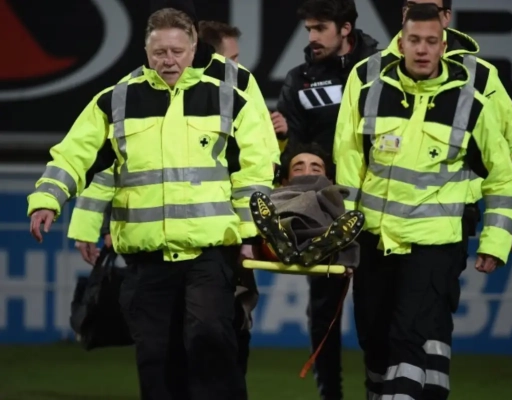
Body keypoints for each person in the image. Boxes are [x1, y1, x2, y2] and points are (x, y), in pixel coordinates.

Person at [28, 7, 275, 400]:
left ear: (194, 50)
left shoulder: (231, 99)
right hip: (146, 260)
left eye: (177, 51)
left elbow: (255, 172)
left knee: (210, 340)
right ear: (146, 52)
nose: (168, 60)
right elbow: (76, 156)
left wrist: (249, 236)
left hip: (209, 254)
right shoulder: (116, 100)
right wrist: (48, 198)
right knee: (156, 359)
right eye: (160, 52)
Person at [343, 3, 512, 396]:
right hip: (376, 236)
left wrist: (509, 229)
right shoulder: (367, 78)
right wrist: (345, 231)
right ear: (402, 36)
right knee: (375, 334)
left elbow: (511, 158)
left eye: (431, 40)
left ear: (445, 30)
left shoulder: (476, 87)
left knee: (414, 332)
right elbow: (349, 158)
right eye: (414, 39)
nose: (422, 48)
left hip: (440, 233)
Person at [274, 1, 378, 398]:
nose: (312, 37)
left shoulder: (381, 70)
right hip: (325, 213)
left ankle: (382, 387)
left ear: (345, 28)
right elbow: (294, 156)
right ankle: (329, 394)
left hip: (378, 209)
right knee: (324, 311)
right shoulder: (300, 80)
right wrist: (286, 138)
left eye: (320, 28)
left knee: (377, 308)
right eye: (309, 29)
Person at [252, 142, 363, 268]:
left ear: (330, 180)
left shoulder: (332, 195)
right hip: (281, 236)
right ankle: (281, 241)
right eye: (298, 169)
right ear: (284, 181)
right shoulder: (272, 197)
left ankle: (318, 246)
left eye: (315, 169)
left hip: (321, 235)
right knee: (273, 226)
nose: (307, 173)